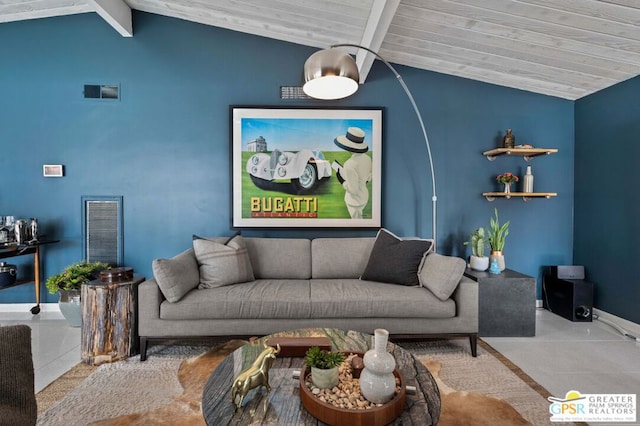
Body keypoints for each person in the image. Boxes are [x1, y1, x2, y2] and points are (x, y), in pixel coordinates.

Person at [332, 127, 372, 219]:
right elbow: (369, 177)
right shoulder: (368, 158)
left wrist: (342, 181)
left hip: (354, 202)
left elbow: (353, 190)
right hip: (364, 196)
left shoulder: (349, 164)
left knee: (357, 222)